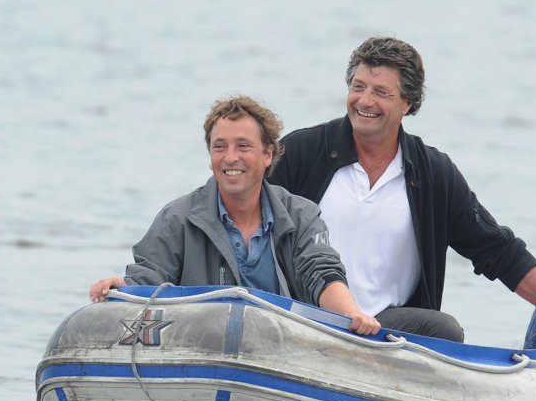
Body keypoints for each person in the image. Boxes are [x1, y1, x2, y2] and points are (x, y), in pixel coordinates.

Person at [266, 36, 536, 342]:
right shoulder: (301, 151)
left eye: (381, 92)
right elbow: (240, 218)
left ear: (408, 103)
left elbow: (498, 250)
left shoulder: (433, 173)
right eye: (358, 86)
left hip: (386, 329)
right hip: (303, 316)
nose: (364, 101)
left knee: (446, 330)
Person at [89, 94, 380, 336]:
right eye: (220, 147)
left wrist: (352, 314)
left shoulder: (302, 215)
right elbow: (148, 280)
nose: (230, 158)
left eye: (243, 146)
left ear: (268, 155)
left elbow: (322, 274)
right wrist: (122, 290)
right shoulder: (176, 218)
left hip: (287, 356)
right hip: (201, 355)